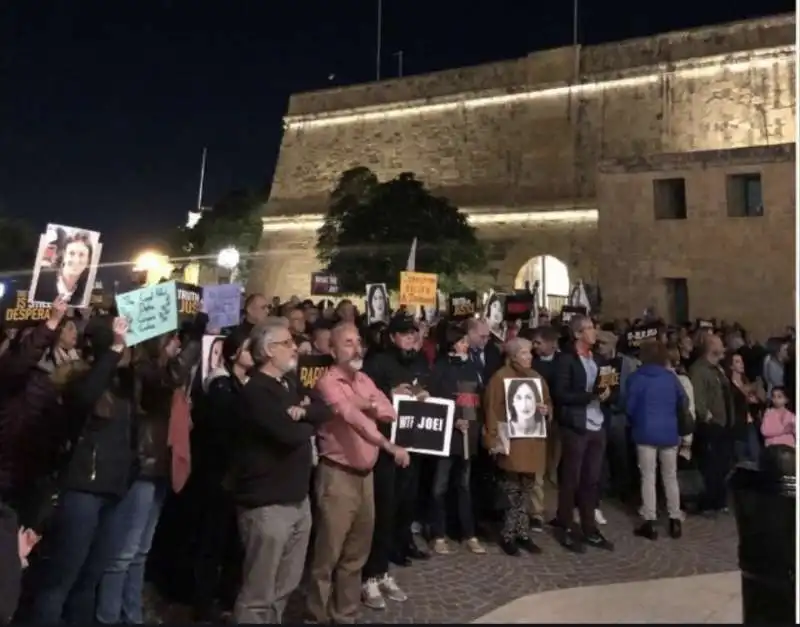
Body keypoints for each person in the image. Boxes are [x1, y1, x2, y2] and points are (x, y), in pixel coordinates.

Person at [306, 322, 410, 622]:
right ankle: (315, 617)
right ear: (333, 349)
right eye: (348, 343)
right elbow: (354, 420)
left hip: (366, 478)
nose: (356, 348)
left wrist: (367, 403)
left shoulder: (364, 379)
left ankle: (345, 615)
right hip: (337, 476)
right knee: (327, 556)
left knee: (355, 555)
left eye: (358, 341)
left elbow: (389, 410)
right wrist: (389, 445)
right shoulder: (327, 382)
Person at [230, 317, 330, 624]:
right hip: (267, 504)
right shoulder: (256, 391)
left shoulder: (289, 383)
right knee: (259, 591)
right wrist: (305, 422)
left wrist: (304, 414)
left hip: (297, 500)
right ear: (269, 350)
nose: (295, 348)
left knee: (284, 586)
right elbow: (289, 434)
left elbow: (323, 408)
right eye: (287, 343)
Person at [552, 314, 616, 553]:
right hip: (576, 425)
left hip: (598, 424)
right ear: (577, 334)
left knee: (592, 479)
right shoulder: (566, 360)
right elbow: (561, 394)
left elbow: (609, 388)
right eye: (588, 329)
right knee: (572, 479)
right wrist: (589, 396)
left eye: (593, 327)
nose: (594, 332)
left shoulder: (599, 359)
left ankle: (589, 527)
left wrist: (610, 395)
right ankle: (565, 525)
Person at [484, 337, 551, 555]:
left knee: (527, 491)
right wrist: (493, 439)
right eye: (524, 353)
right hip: (511, 442)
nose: (529, 356)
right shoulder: (500, 378)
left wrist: (546, 411)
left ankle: (523, 533)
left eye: (530, 352)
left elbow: (548, 403)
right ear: (513, 356)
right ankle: (508, 534)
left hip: (532, 442)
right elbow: (491, 410)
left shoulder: (537, 378)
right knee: (512, 493)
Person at [427, 324, 486, 556]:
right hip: (446, 436)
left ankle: (468, 533)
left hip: (466, 437)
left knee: (464, 486)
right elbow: (434, 399)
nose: (465, 345)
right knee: (439, 487)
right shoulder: (441, 368)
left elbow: (475, 398)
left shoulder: (472, 367)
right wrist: (452, 420)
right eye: (461, 341)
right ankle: (439, 534)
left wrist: (472, 425)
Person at [625, 340, 687, 541]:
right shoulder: (670, 378)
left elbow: (629, 406)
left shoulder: (637, 378)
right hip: (669, 431)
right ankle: (675, 518)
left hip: (644, 431)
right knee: (670, 476)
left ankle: (649, 520)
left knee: (648, 477)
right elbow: (683, 401)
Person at [689, 334, 734, 515]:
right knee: (710, 466)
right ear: (710, 347)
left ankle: (718, 500)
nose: (723, 347)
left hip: (724, 425)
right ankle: (708, 502)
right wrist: (707, 419)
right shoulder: (699, 370)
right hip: (711, 427)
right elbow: (699, 399)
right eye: (720, 344)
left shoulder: (718, 370)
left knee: (722, 465)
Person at [32, 231, 95, 307]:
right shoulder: (40, 280)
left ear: (88, 260)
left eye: (81, 255)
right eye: (71, 253)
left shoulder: (86, 292)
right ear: (64, 255)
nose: (76, 260)